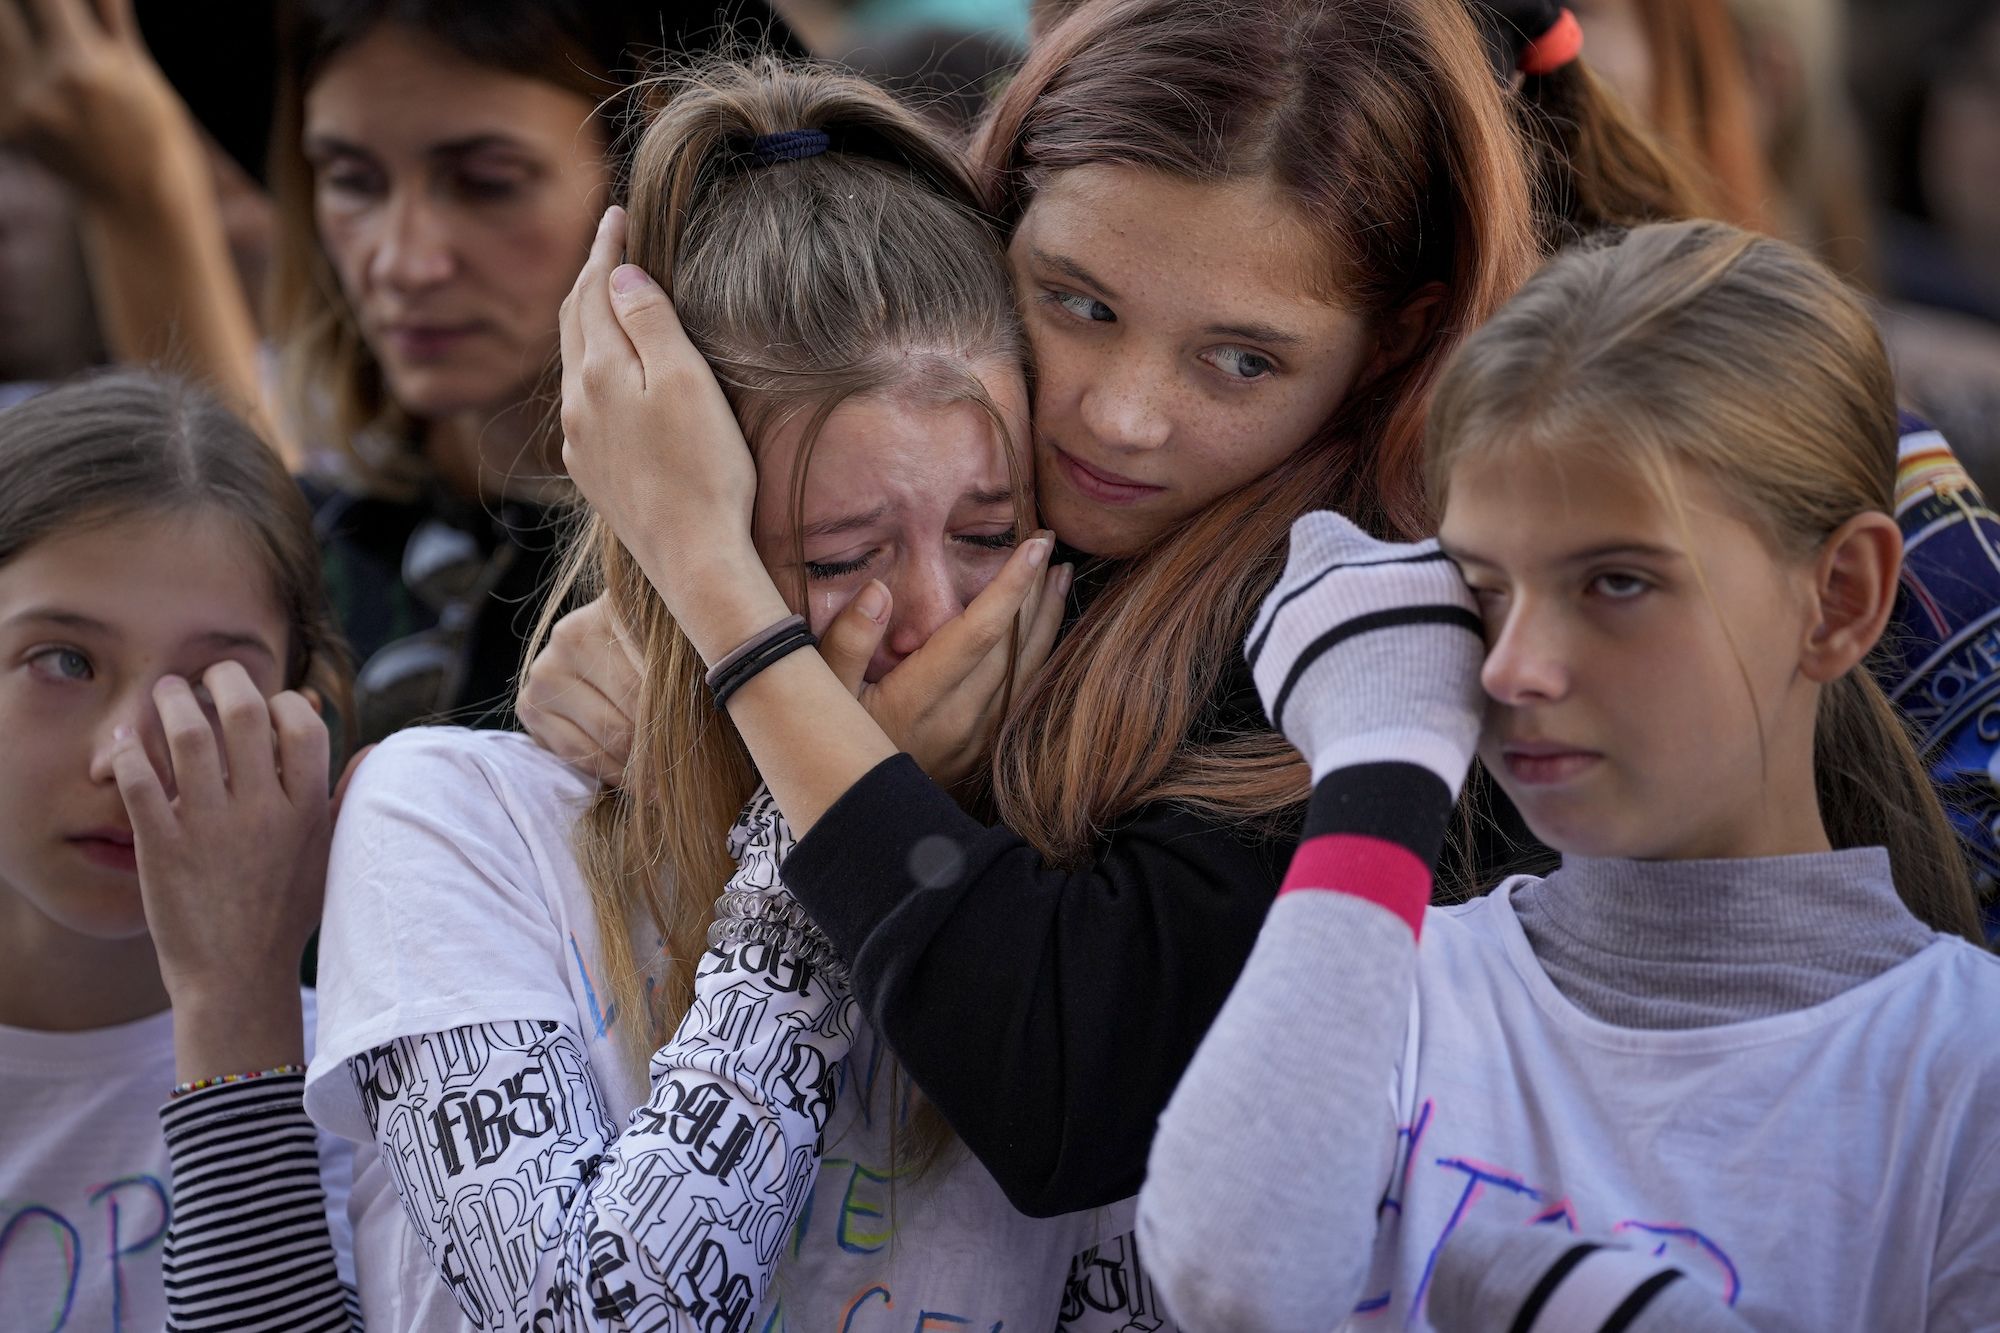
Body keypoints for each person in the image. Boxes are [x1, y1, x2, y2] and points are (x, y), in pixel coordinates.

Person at [304, 57, 1171, 1332]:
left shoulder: (1081, 874)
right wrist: (827, 853)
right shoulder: (448, 821)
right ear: (678, 550)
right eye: (839, 558)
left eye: (989, 533)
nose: (931, 613)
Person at [1138, 220, 1999, 1330]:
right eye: (1483, 585)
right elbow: (1226, 1275)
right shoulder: (1375, 978)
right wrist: (1378, 761)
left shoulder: (1962, 1073)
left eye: (1615, 583)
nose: (1512, 665)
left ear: (1837, 595)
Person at [0, 371, 357, 1330]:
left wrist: (238, 998)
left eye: (213, 690)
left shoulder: (356, 1092)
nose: (128, 757)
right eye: (62, 661)